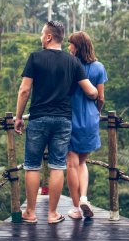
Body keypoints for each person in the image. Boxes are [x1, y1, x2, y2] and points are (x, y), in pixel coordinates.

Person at [14, 21, 98, 224]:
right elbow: (90, 91)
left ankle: (31, 213)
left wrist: (18, 117)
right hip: (63, 120)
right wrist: (97, 94)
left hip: (38, 118)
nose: (41, 37)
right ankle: (52, 214)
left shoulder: (35, 57)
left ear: (49, 37)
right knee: (58, 165)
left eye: (43, 34)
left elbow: (24, 90)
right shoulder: (73, 62)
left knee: (32, 166)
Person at [66, 31, 108, 219]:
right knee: (82, 163)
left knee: (71, 164)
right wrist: (96, 113)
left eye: (71, 44)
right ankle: (84, 197)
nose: (69, 47)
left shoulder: (69, 66)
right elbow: (101, 98)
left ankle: (76, 208)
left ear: (78, 46)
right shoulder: (99, 67)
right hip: (91, 119)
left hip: (70, 118)